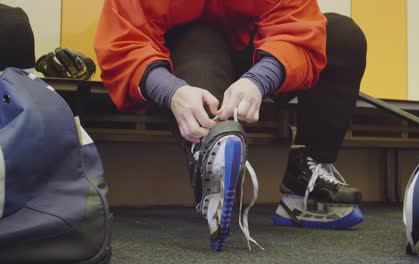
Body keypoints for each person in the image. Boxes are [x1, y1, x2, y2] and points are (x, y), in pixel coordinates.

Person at [95, 0, 367, 251]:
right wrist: (171, 91)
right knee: (199, 36)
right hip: (186, 61)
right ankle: (209, 150)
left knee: (341, 34)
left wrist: (260, 79)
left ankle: (304, 176)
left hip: (254, 53)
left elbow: (297, 23)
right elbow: (125, 39)